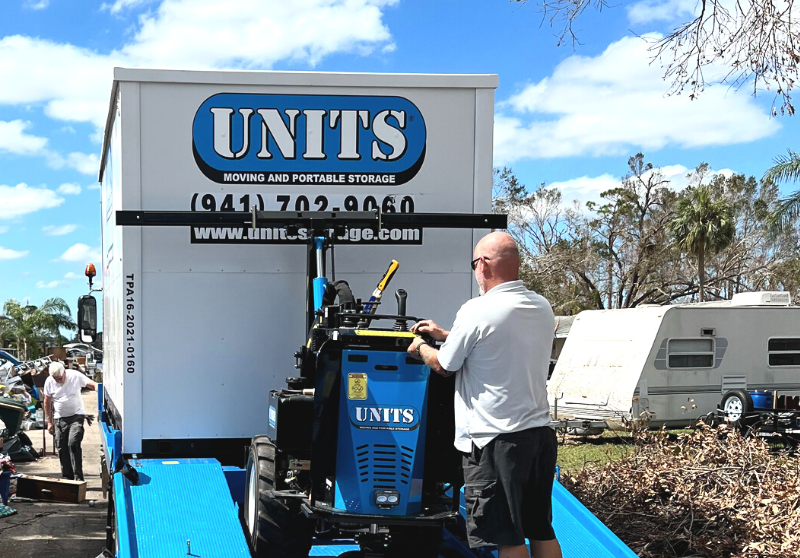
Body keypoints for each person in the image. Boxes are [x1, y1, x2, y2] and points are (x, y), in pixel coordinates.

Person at [407, 232, 562, 558]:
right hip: (539, 438)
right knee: (540, 529)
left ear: (484, 265)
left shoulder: (477, 309)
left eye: (474, 263)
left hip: (497, 442)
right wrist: (446, 333)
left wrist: (421, 346)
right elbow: (496, 341)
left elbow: (445, 365)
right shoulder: (541, 307)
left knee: (508, 537)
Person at [43, 362, 97, 481]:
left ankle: (78, 478)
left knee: (73, 443)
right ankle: (67, 477)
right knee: (62, 447)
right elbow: (47, 401)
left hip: (76, 416)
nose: (58, 381)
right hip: (59, 418)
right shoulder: (49, 381)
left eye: (60, 378)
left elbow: (92, 384)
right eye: (55, 379)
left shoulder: (75, 375)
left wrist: (99, 390)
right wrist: (50, 422)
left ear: (64, 372)